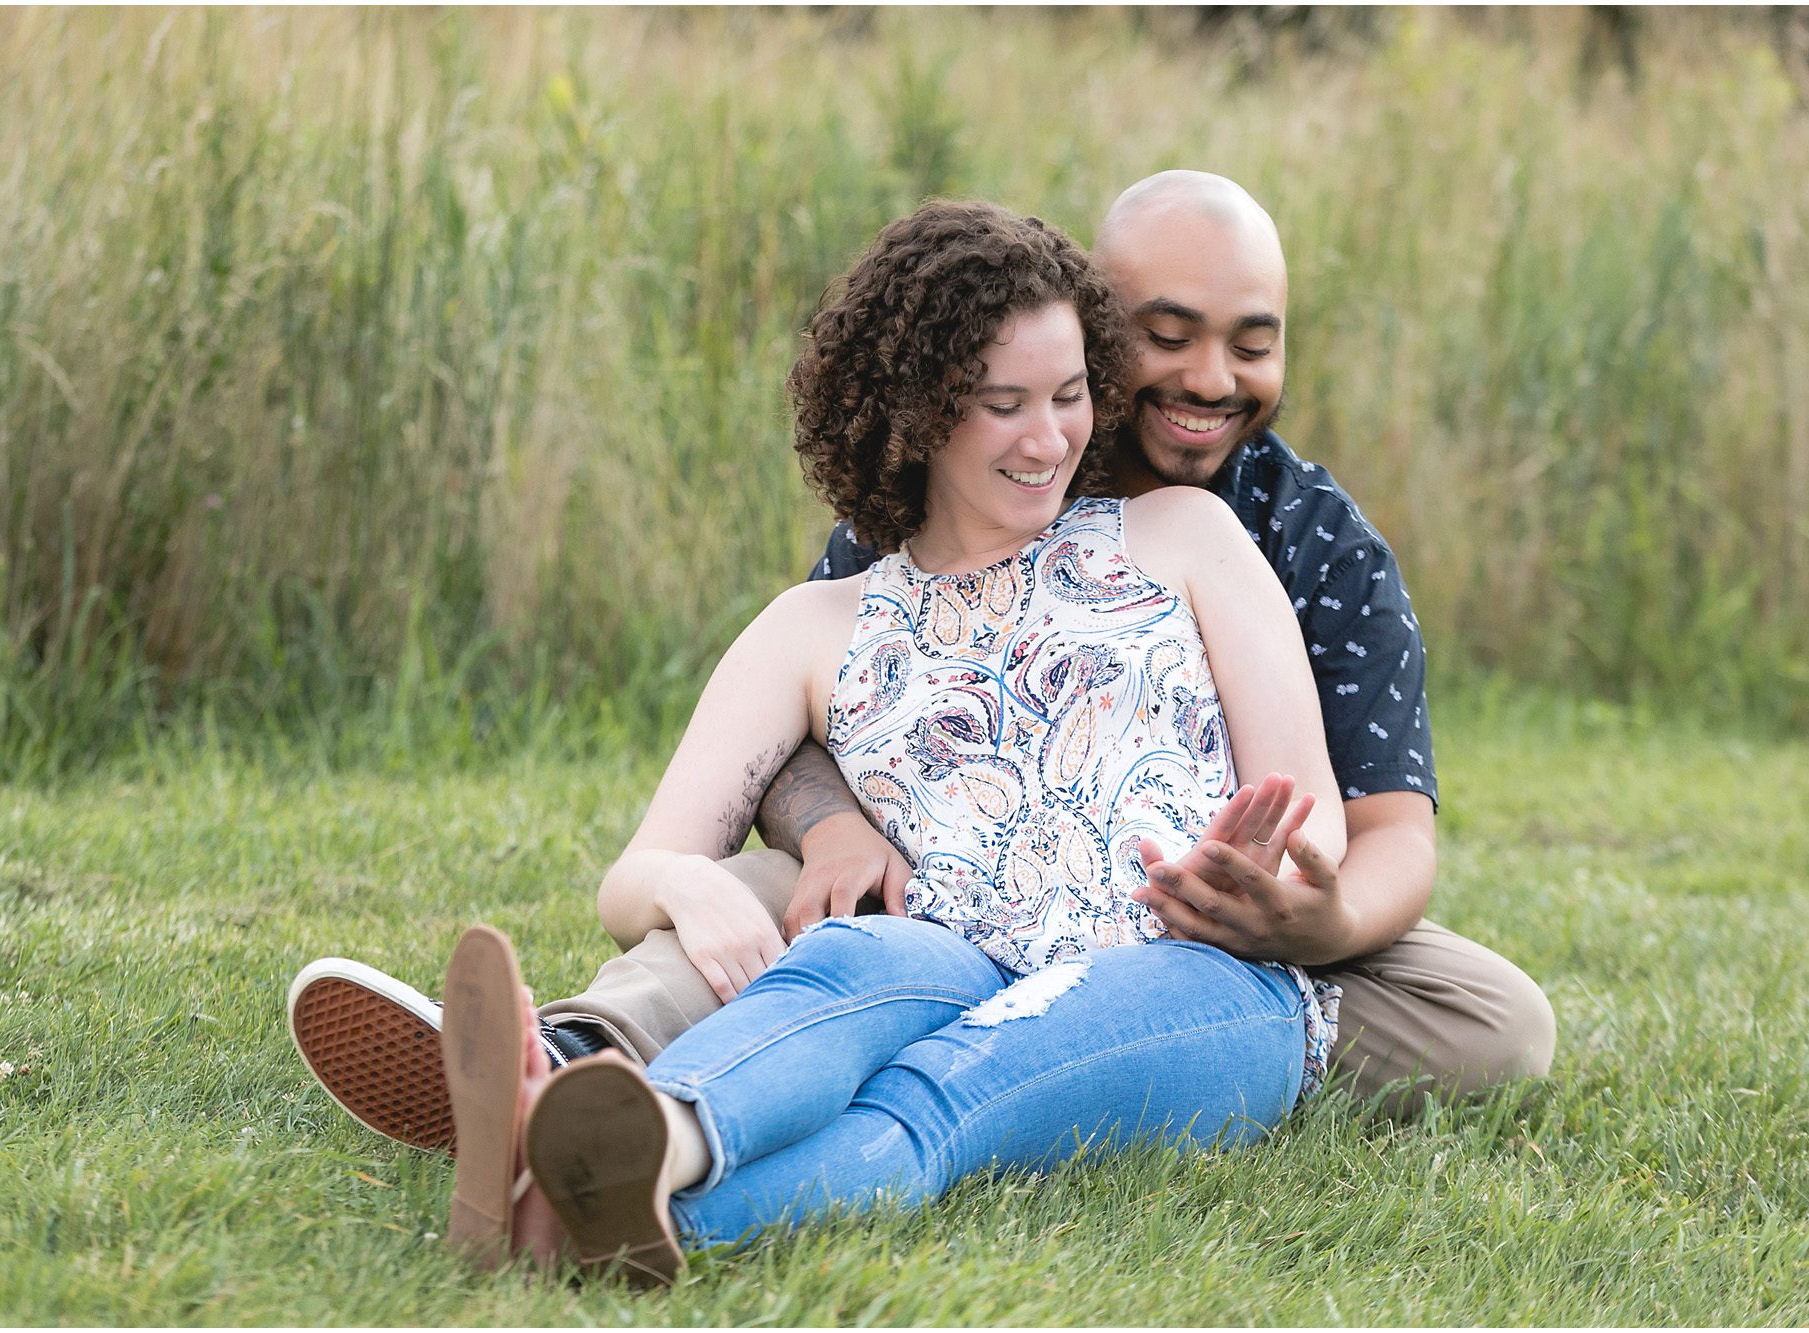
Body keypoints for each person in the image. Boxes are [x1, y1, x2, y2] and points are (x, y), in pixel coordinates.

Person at [286, 169, 1553, 1160]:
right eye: (1167, 335)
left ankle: (1074, 1051)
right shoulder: (941, 477)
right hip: (932, 886)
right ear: (1093, 325)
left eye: (1251, 342)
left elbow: (1387, 826)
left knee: (1495, 1017)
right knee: (768, 893)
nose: (1210, 380)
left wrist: (1315, 915)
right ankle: (563, 1058)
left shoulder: (1301, 541)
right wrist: (830, 827)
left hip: (1202, 916)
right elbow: (807, 711)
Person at [438, 198, 1345, 1283]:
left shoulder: (1183, 536)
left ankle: (597, 1219)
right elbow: (636, 868)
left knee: (935, 1092)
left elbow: (1317, 812)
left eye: (1068, 396)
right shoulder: (811, 629)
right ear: (913, 411)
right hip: (953, 955)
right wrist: (689, 884)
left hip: (1192, 977)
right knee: (842, 964)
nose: (1049, 437)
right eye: (1002, 404)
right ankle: (647, 1135)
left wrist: (1255, 870)